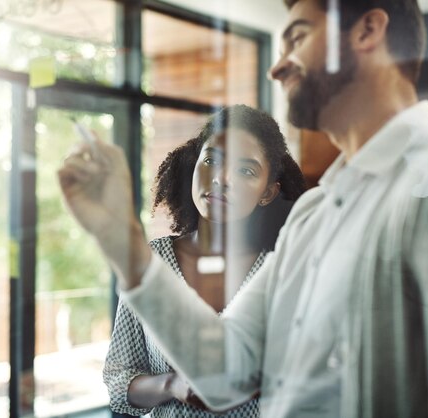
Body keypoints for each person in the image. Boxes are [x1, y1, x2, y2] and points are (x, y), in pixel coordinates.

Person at [58, 0, 428, 417]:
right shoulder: (315, 214)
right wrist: (120, 239)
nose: (277, 67)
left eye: (298, 37)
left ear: (367, 31)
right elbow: (224, 373)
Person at [102, 105, 305, 417]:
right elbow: (118, 382)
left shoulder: (283, 271)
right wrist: (171, 385)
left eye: (245, 170)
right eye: (211, 160)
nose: (221, 178)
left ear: (268, 192)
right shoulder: (152, 261)